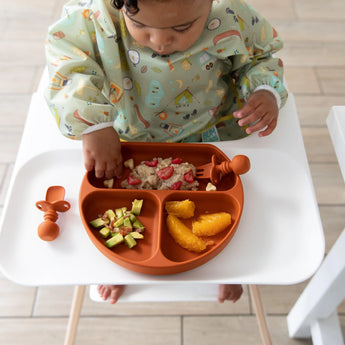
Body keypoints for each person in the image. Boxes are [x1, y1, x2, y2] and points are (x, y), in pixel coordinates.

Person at [45, 0, 288, 303]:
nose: (160, 41)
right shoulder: (95, 18)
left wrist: (265, 91)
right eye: (140, 25)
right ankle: (122, 268)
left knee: (237, 219)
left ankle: (227, 269)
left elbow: (260, 56)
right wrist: (93, 125)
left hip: (209, 130)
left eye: (182, 27)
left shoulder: (229, 15)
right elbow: (66, 62)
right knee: (116, 223)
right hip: (124, 133)